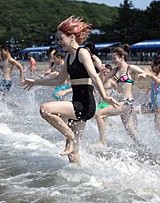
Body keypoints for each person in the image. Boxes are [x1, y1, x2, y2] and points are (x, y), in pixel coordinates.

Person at [22, 16, 117, 162]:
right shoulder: (68, 56)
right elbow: (59, 80)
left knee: (45, 109)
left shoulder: (82, 52)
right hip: (76, 103)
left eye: (61, 38)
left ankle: (70, 136)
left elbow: (94, 76)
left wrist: (104, 96)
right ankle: (80, 181)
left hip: (85, 105)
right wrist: (35, 81)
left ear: (71, 37)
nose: (59, 43)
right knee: (73, 154)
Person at [94, 45, 146, 145]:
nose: (113, 61)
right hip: (122, 103)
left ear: (121, 57)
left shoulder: (129, 68)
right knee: (130, 131)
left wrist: (141, 75)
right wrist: (101, 72)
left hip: (127, 102)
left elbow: (143, 72)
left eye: (115, 58)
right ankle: (144, 147)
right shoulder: (115, 70)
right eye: (112, 58)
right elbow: (102, 80)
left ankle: (102, 142)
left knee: (99, 114)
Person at [143, 55, 160, 136]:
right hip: (153, 103)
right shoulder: (155, 73)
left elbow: (158, 81)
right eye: (151, 65)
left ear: (158, 66)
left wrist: (150, 74)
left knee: (159, 129)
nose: (152, 67)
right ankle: (136, 131)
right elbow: (155, 85)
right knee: (133, 111)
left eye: (153, 65)